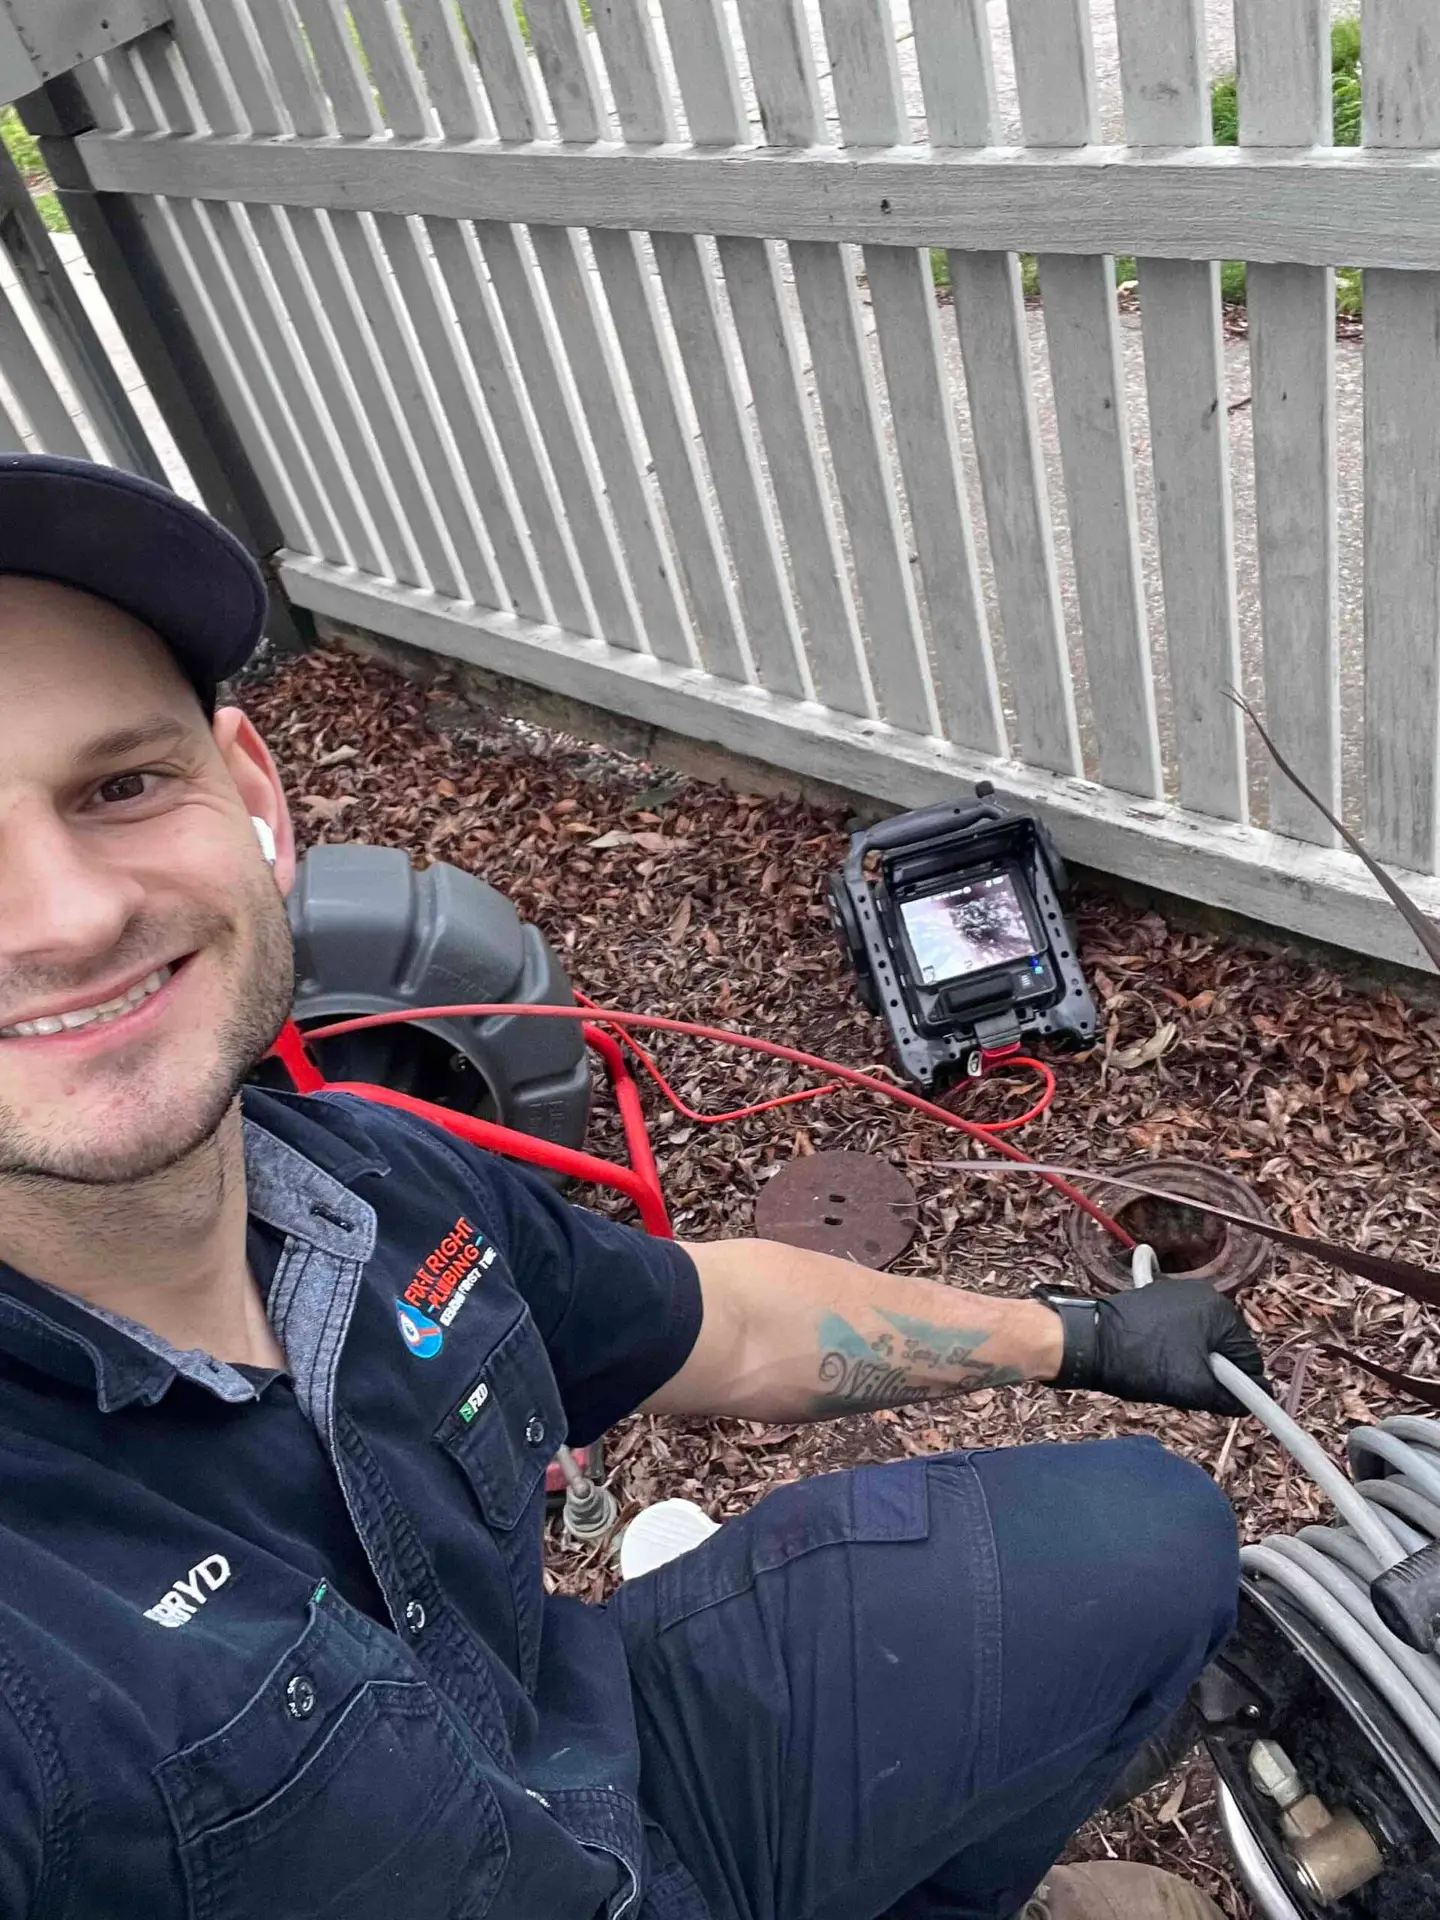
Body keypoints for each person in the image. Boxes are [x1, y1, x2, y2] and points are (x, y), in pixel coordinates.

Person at [0, 454, 1264, 1920]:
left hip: (606, 1775)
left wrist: (1076, 1335)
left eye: (122, 784)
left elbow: (718, 1322)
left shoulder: (376, 1183)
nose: (72, 913)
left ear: (255, 798)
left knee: (1147, 1543)